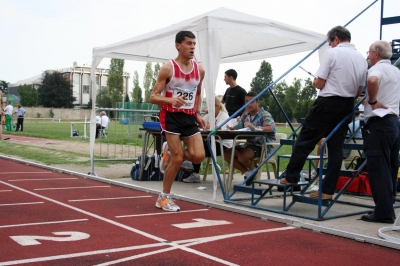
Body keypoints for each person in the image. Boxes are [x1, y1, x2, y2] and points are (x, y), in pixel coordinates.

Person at [280, 26, 368, 200]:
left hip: (327, 103)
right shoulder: (361, 59)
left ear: (335, 39)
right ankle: (328, 190)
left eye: (329, 42)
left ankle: (291, 177)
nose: (329, 45)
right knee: (335, 148)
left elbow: (319, 83)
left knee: (305, 139)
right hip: (347, 105)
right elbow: (359, 90)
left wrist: (317, 81)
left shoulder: (332, 53)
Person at [150, 30, 206, 212]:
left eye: (194, 44)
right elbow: (153, 97)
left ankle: (168, 150)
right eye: (188, 43)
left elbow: (197, 93)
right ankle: (164, 198)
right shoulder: (169, 68)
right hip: (171, 116)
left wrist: (197, 113)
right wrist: (170, 100)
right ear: (178, 45)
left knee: (199, 156)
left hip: (188, 117)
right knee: (178, 159)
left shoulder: (200, 70)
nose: (192, 47)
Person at [360, 40, 400, 224]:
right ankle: (386, 205)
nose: (368, 57)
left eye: (369, 53)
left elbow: (372, 80)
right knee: (390, 167)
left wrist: (373, 101)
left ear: (376, 54)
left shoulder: (377, 70)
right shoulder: (396, 71)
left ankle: (383, 212)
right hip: (393, 121)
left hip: (379, 122)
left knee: (378, 168)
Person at [223, 91, 276, 186]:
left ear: (258, 102)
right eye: (246, 102)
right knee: (226, 154)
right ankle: (250, 172)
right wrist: (231, 128)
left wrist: (255, 128)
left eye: (251, 102)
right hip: (248, 145)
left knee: (242, 156)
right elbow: (240, 127)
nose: (248, 104)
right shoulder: (246, 115)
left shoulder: (264, 114)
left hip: (262, 146)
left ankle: (251, 172)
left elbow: (272, 128)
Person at [183, 97, 233, 183]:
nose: (208, 109)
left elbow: (222, 128)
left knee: (199, 147)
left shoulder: (224, 115)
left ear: (217, 106)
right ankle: (192, 165)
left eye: (211, 107)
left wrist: (210, 126)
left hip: (223, 143)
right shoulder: (208, 116)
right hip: (212, 141)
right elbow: (201, 124)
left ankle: (191, 164)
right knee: (197, 144)